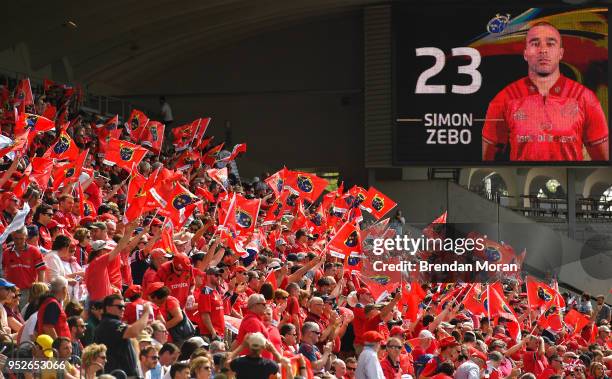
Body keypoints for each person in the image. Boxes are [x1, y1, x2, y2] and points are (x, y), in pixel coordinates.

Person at [482, 22, 609, 162]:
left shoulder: (585, 98)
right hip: (522, 182)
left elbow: (603, 163)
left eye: (550, 44)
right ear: (525, 53)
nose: (543, 50)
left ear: (561, 53)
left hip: (570, 182)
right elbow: (488, 162)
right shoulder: (503, 99)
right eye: (535, 44)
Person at [94, 293, 153, 377]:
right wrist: (146, 312)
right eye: (120, 307)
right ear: (108, 307)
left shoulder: (111, 323)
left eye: (124, 307)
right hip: (116, 375)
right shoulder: (110, 324)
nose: (123, 309)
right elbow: (133, 331)